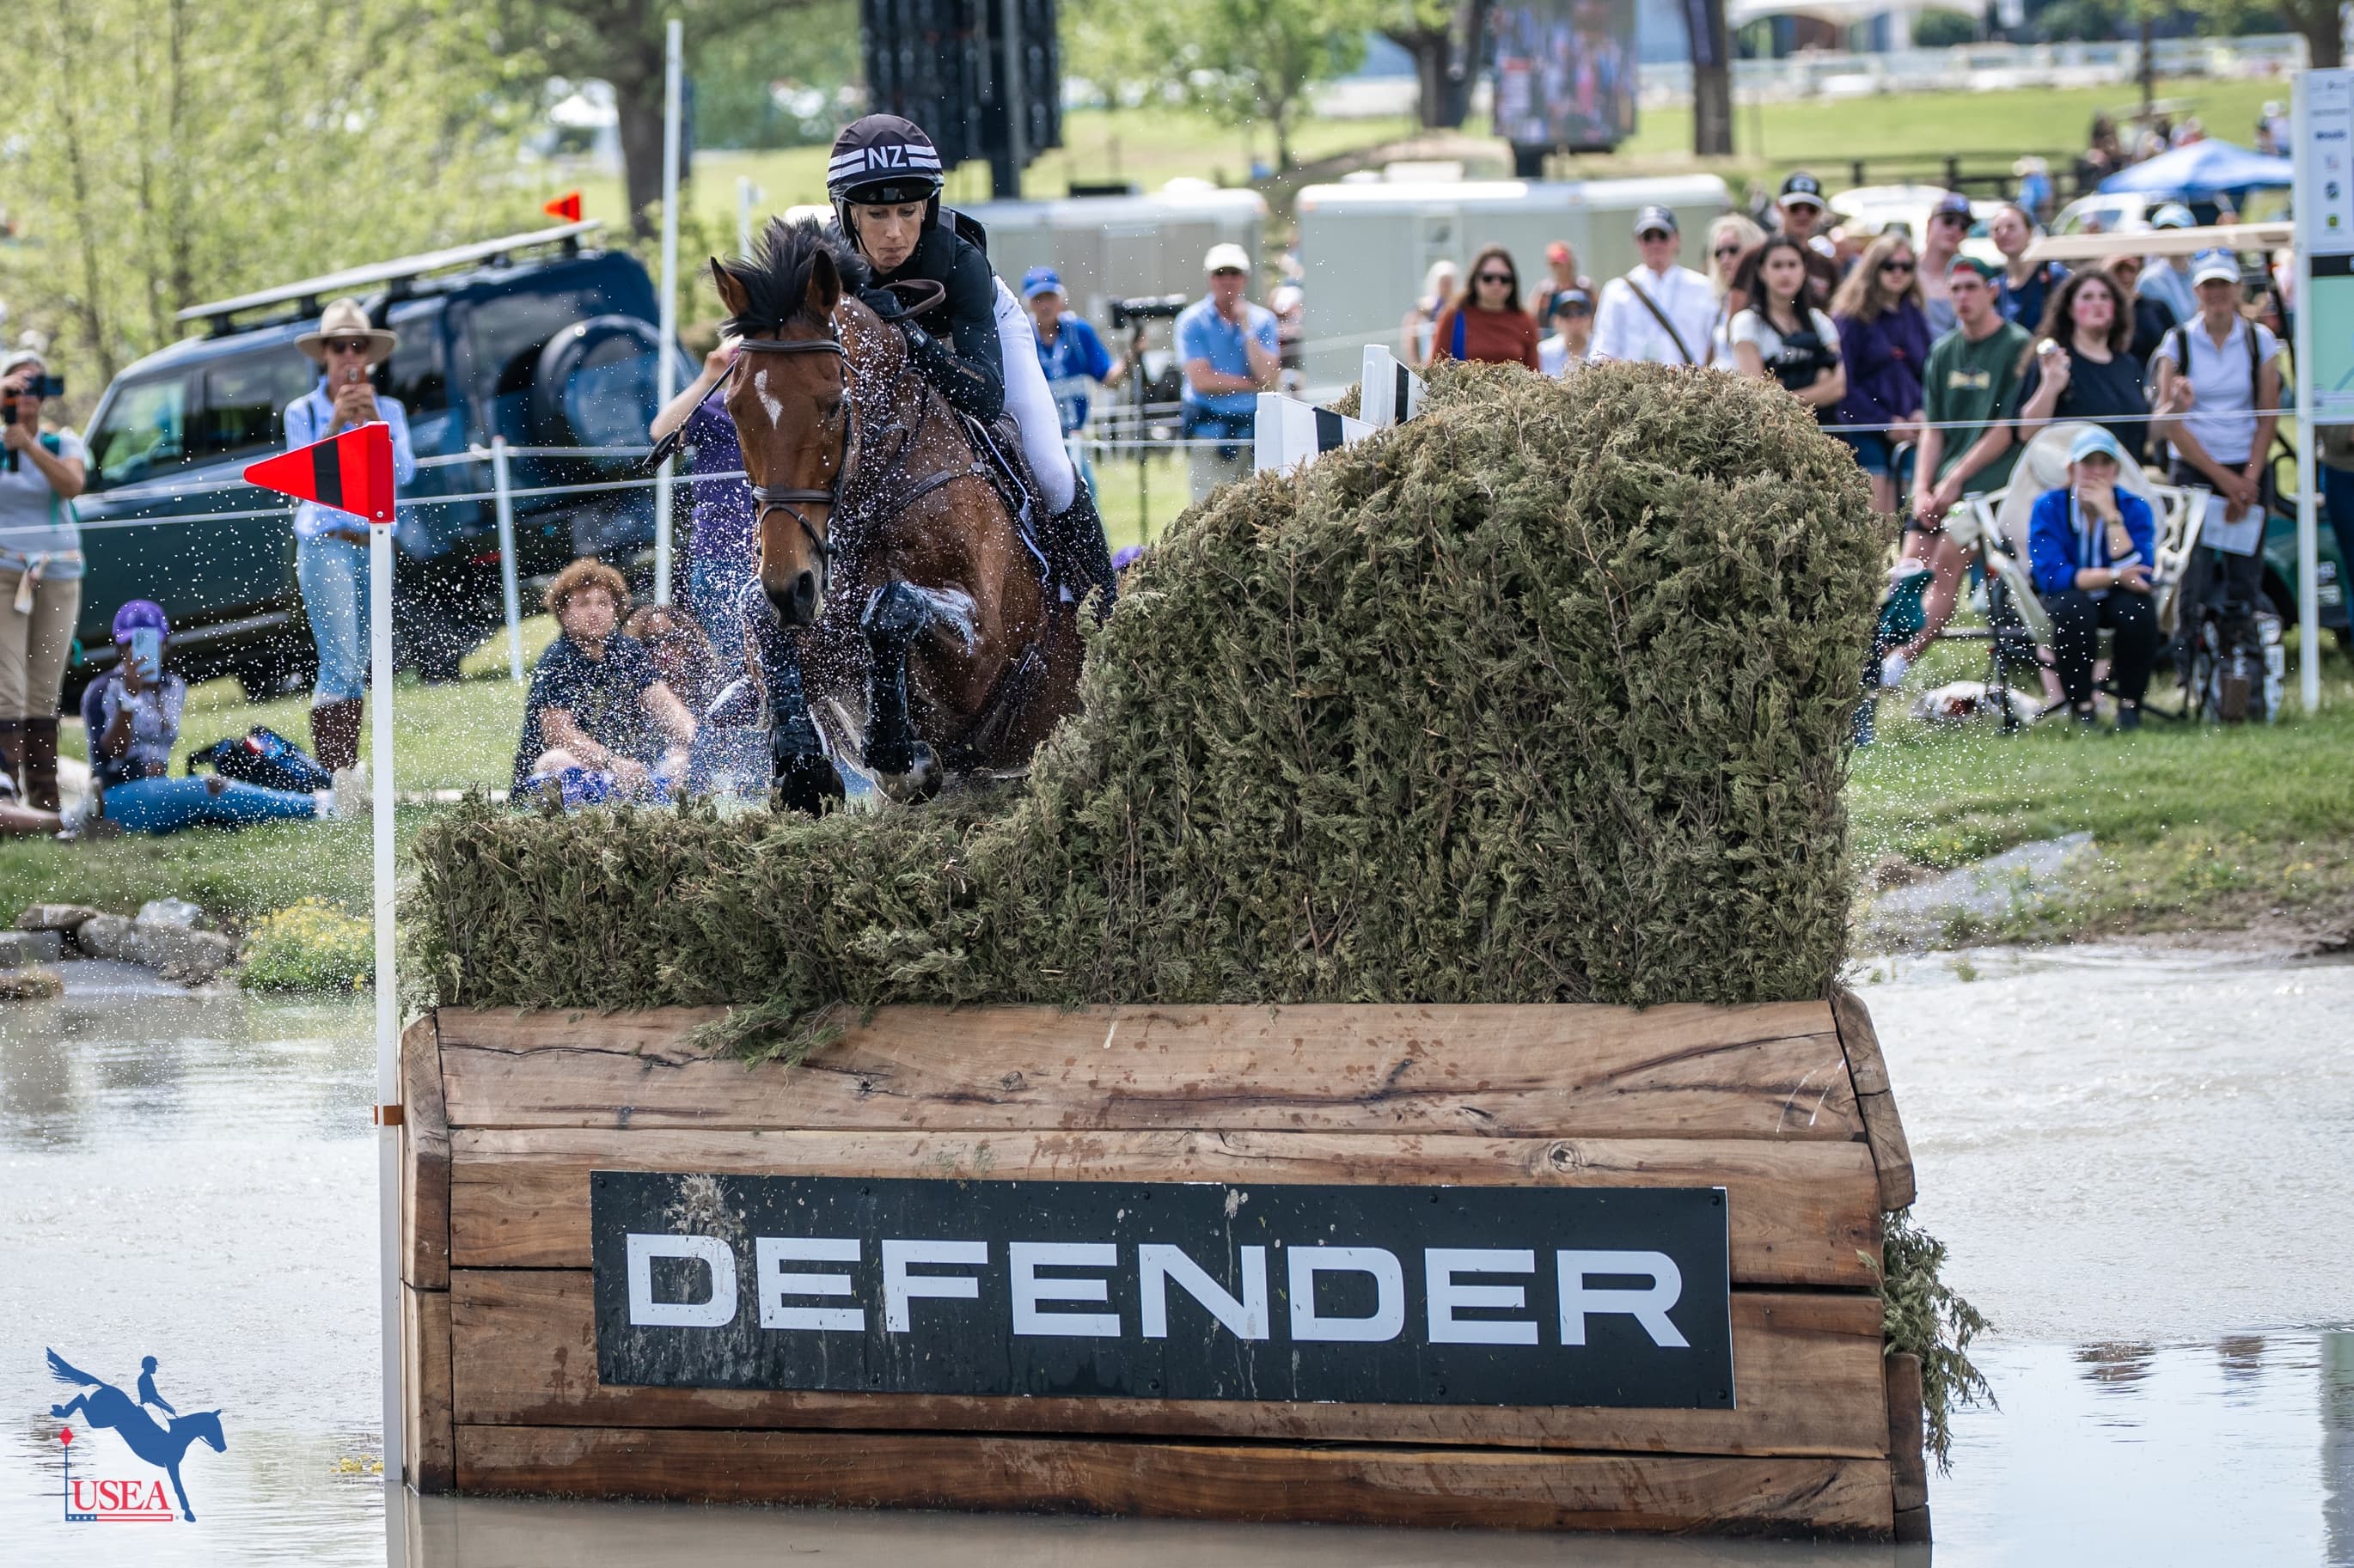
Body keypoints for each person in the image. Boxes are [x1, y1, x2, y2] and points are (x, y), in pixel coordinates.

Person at [824, 113, 1114, 604]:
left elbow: (982, 395)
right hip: (902, 354)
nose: (894, 233)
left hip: (974, 343)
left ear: (928, 208)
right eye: (877, 215)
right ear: (848, 213)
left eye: (909, 212)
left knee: (1051, 471)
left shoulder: (961, 260)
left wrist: (907, 335)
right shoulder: (829, 263)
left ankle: (1104, 607)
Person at [282, 297, 414, 777]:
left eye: (358, 346)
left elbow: (403, 473)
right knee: (339, 658)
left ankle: (347, 772)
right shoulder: (302, 411)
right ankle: (337, 775)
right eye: (340, 347)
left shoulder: (390, 409)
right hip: (326, 543)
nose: (350, 356)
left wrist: (373, 422)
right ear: (324, 354)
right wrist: (337, 424)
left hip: (374, 543)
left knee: (362, 660)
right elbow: (304, 475)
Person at [1886, 257, 2033, 686]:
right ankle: (1881, 656)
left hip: (1992, 485)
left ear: (1992, 290)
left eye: (1971, 287)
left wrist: (1952, 483)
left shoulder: (2016, 346)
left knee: (1947, 558)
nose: (1963, 297)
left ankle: (1903, 660)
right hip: (1946, 485)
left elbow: (2005, 433)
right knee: (1908, 567)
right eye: (1956, 289)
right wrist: (1922, 488)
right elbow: (1933, 428)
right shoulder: (1943, 352)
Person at [2151, 250, 2283, 722]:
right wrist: (2227, 481)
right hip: (2197, 468)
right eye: (2208, 285)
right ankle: (2192, 675)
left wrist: (2248, 476)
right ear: (2197, 291)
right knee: (2195, 578)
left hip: (2247, 467)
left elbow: (2268, 411)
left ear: (2236, 289)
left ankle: (2243, 679)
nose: (2217, 293)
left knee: (2245, 580)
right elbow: (2171, 425)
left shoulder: (2259, 340)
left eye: (2224, 284)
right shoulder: (2178, 342)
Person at [80, 601, 345, 834]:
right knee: (212, 787)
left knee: (224, 799)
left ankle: (320, 797)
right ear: (119, 646)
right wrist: (129, 700)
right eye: (131, 644)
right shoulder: (104, 689)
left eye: (150, 642)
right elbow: (111, 753)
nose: (138, 652)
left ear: (164, 643)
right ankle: (321, 805)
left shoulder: (173, 686)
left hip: (159, 788)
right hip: (116, 795)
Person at [512, 558, 698, 805]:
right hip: (566, 773)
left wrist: (697, 742)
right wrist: (612, 763)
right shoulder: (556, 660)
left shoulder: (629, 651)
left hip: (624, 772)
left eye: (603, 603)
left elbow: (667, 708)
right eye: (583, 604)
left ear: (616, 610)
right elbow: (559, 734)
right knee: (557, 760)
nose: (594, 612)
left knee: (679, 759)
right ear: (564, 613)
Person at [0, 347, 86, 813]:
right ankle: (8, 794)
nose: (26, 396)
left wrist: (28, 445)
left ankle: (45, 798)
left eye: (35, 386)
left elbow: (72, 486)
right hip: (4, 572)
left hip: (58, 571)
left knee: (44, 684)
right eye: (16, 386)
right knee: (7, 681)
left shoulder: (61, 443)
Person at [2029, 426, 2160, 729]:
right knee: (2074, 609)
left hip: (2116, 597)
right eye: (2088, 463)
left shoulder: (2133, 508)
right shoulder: (2048, 507)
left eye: (2105, 462)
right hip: (2072, 598)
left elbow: (2140, 574)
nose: (2097, 471)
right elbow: (2053, 577)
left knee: (2137, 609)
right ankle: (2083, 707)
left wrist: (2111, 517)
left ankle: (2130, 707)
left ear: (2116, 470)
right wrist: (2115, 575)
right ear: (2071, 468)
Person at [650, 337, 760, 683]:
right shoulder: (712, 408)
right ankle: (750, 735)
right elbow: (661, 431)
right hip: (720, 556)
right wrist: (705, 379)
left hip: (775, 550)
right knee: (741, 664)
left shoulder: (784, 408)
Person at [2015, 268, 2171, 465]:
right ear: (2070, 309)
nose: (2097, 303)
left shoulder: (2128, 365)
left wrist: (2177, 406)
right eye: (2087, 297)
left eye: (2105, 297)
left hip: (2123, 485)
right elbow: (2027, 432)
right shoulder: (2055, 361)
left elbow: (2143, 434)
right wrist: (2050, 386)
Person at [1828, 232, 1932, 513]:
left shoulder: (1915, 314)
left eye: (1906, 267)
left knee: (1907, 516)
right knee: (1879, 522)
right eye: (1889, 265)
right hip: (1864, 427)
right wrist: (1886, 422)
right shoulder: (1850, 317)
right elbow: (1845, 384)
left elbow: (1928, 373)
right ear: (1873, 267)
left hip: (1909, 427)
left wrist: (1922, 410)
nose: (1898, 273)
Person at [1176, 242, 1281, 503]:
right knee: (1207, 513)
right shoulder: (1192, 320)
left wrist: (1246, 328)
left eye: (1234, 273)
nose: (1227, 280)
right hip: (1211, 433)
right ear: (1211, 278)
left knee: (1260, 515)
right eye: (1220, 273)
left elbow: (1268, 375)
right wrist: (1251, 384)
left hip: (1256, 434)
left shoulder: (1262, 320)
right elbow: (1202, 380)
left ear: (1244, 278)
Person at [1021, 266, 1126, 491]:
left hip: (1074, 439)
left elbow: (1108, 379)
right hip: (1035, 441)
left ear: (1061, 299)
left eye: (1050, 297)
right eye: (1038, 299)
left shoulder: (1079, 332)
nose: (1045, 305)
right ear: (1029, 303)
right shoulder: (1022, 335)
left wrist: (1131, 358)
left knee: (1085, 493)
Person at [1730, 235, 1845, 417]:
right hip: (1776, 433)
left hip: (1827, 430)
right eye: (1777, 265)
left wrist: (1783, 388)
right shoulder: (1747, 323)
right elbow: (1758, 394)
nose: (1785, 273)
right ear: (1762, 272)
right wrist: (1819, 380)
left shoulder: (1820, 321)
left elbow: (1838, 387)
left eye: (1792, 265)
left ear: (1804, 270)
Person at [1591, 207, 1715, 369]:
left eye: (1662, 236)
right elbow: (1602, 349)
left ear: (1677, 239)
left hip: (1690, 387)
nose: (1655, 243)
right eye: (1648, 237)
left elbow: (1716, 346)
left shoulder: (1703, 288)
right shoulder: (1616, 291)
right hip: (1635, 389)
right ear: (1637, 241)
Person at [1428, 244, 1541, 369]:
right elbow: (1435, 370)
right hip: (1462, 389)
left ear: (1513, 282)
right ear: (1475, 279)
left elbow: (1535, 374)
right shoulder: (1453, 316)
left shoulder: (1525, 321)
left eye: (1504, 279)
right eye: (1488, 278)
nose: (1496, 284)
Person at [1770, 172, 1844, 311]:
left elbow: (1835, 315)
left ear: (1820, 213)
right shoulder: (1757, 257)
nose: (1803, 214)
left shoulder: (1827, 266)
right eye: (1795, 208)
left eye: (1811, 209)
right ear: (1779, 208)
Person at [1703, 214, 1767, 365]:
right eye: (1719, 252)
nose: (1725, 258)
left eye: (1733, 250)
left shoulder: (1769, 302)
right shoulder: (1719, 301)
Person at [1989, 204, 2064, 331]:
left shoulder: (2053, 276)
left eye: (2011, 227)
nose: (2003, 233)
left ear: (2030, 232)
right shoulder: (1995, 288)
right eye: (1997, 229)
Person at [2105, 253, 2180, 364]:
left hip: (2152, 377)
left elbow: (2177, 346)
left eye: (2131, 270)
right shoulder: (2104, 311)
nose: (2125, 275)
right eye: (2118, 270)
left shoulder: (2156, 308)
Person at [1918, 192, 1975, 338]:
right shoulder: (1901, 270)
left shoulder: (1970, 277)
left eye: (1964, 226)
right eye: (1948, 221)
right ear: (1930, 224)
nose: (1955, 229)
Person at [2136, 204, 2199, 324]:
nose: (2171, 239)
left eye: (2177, 232)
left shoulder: (2203, 272)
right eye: (2164, 232)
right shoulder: (2149, 279)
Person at [1401, 259, 1460, 369]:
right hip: (1428, 361)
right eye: (1443, 282)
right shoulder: (1423, 308)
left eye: (1449, 282)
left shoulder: (1460, 308)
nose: (1446, 286)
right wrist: (1416, 366)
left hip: (1454, 360)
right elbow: (1409, 336)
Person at [1528, 240, 1587, 330]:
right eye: (1553, 264)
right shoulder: (1544, 291)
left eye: (1560, 263)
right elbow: (1531, 318)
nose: (1558, 268)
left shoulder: (1585, 287)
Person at [1538, 289, 1596, 377]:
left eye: (1580, 313)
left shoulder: (1602, 349)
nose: (1574, 319)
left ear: (1590, 318)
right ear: (1556, 320)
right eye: (1566, 314)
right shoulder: (1543, 352)